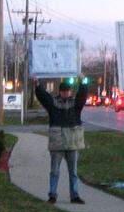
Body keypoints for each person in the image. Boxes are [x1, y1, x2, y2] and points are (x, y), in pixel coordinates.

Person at [34, 75, 88, 204]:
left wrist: (83, 82)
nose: (65, 93)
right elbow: (43, 97)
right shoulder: (53, 103)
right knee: (54, 171)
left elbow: (82, 96)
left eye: (67, 91)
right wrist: (37, 85)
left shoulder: (76, 104)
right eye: (63, 91)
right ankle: (52, 195)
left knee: (73, 172)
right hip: (58, 143)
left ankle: (74, 196)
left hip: (71, 143)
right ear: (60, 92)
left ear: (70, 91)